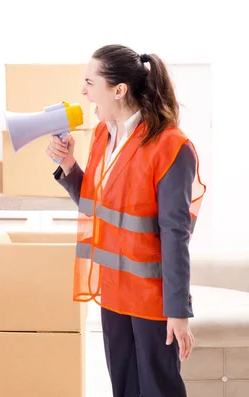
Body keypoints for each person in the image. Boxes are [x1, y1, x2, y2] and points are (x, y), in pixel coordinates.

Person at [48, 44, 206, 397]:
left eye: (90, 82)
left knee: (157, 389)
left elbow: (175, 234)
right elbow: (95, 203)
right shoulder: (104, 134)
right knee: (123, 387)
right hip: (114, 290)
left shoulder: (170, 146)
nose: (83, 91)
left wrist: (178, 312)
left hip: (152, 299)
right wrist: (71, 166)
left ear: (119, 90)